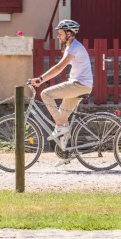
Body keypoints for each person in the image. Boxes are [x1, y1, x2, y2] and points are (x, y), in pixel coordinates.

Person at [31, 19, 93, 148]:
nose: (58, 36)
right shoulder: (71, 47)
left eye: (61, 33)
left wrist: (40, 79)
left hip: (79, 85)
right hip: (81, 86)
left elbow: (59, 68)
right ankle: (65, 152)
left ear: (69, 33)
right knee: (63, 119)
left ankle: (59, 127)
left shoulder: (74, 48)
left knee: (45, 94)